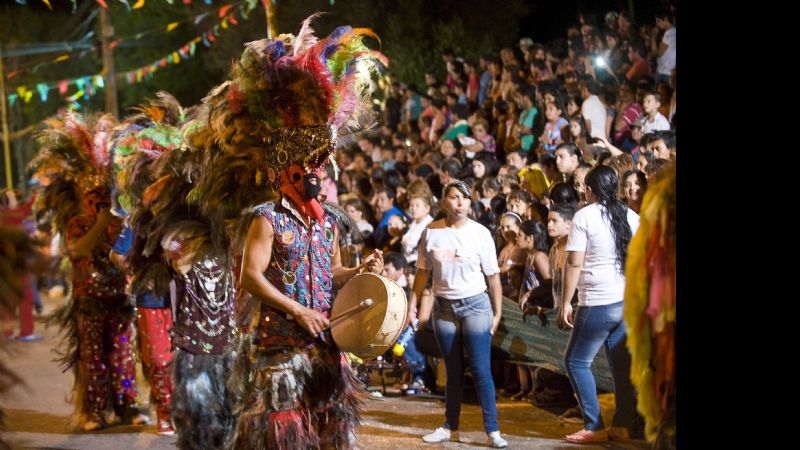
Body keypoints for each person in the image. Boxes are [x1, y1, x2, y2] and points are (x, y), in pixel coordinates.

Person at [210, 21, 388, 449]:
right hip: (282, 344)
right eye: (309, 167)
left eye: (320, 167)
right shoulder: (266, 218)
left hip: (326, 340)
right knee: (286, 432)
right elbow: (251, 277)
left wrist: (358, 271)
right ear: (289, 170)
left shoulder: (326, 220)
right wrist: (297, 310)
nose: (318, 175)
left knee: (330, 426)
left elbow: (333, 271)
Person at [408, 180, 508, 448]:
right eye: (454, 197)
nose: (460, 203)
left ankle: (493, 430)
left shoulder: (481, 233)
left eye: (464, 198)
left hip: (476, 305)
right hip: (444, 308)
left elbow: (493, 276)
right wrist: (412, 304)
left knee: (480, 369)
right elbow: (422, 273)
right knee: (452, 370)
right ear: (444, 202)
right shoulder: (432, 232)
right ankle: (449, 426)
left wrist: (497, 313)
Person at [559, 165, 639, 443]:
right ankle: (621, 426)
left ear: (589, 190)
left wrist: (565, 302)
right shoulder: (631, 216)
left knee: (575, 361)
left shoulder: (584, 217)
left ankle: (594, 425)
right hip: (626, 300)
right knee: (621, 367)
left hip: (597, 300)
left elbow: (574, 262)